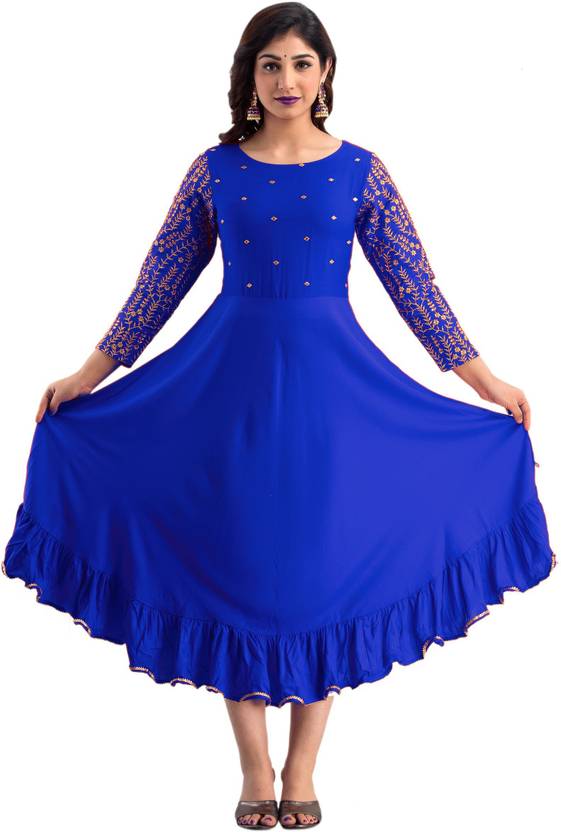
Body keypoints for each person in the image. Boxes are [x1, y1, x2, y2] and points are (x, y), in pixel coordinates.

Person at [3, 4, 555, 829]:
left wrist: (483, 381)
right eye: (270, 64)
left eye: (300, 62)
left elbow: (414, 287)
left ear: (324, 71)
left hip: (332, 397)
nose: (286, 79)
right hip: (227, 392)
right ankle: (253, 768)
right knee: (237, 563)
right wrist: (89, 374)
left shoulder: (361, 170)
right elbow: (161, 279)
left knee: (316, 572)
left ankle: (301, 769)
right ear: (249, 77)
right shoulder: (214, 170)